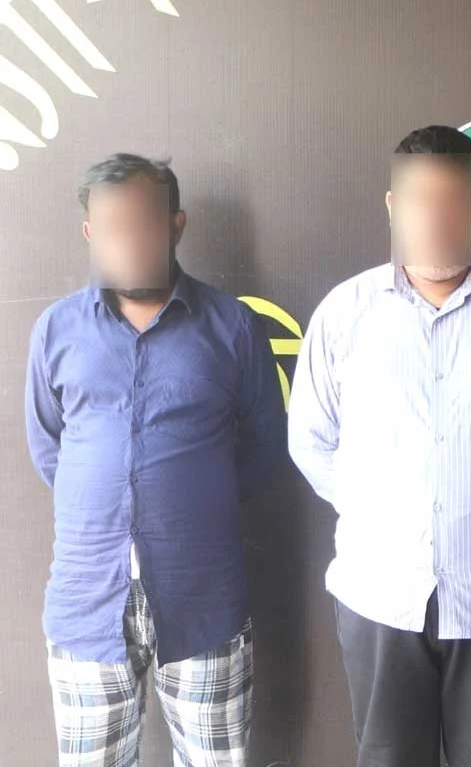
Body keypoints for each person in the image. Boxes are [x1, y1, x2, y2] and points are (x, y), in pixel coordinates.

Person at [288, 125, 471, 767]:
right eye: (418, 199)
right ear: (392, 207)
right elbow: (310, 439)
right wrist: (381, 512)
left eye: (451, 199)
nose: (433, 216)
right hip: (379, 594)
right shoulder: (345, 314)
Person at [24, 153, 286, 767]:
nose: (127, 241)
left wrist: (191, 502)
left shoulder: (233, 326)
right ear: (90, 233)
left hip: (205, 601)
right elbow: (48, 447)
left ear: (175, 224)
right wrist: (108, 499)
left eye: (142, 223)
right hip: (87, 604)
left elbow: (266, 447)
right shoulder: (56, 330)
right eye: (111, 227)